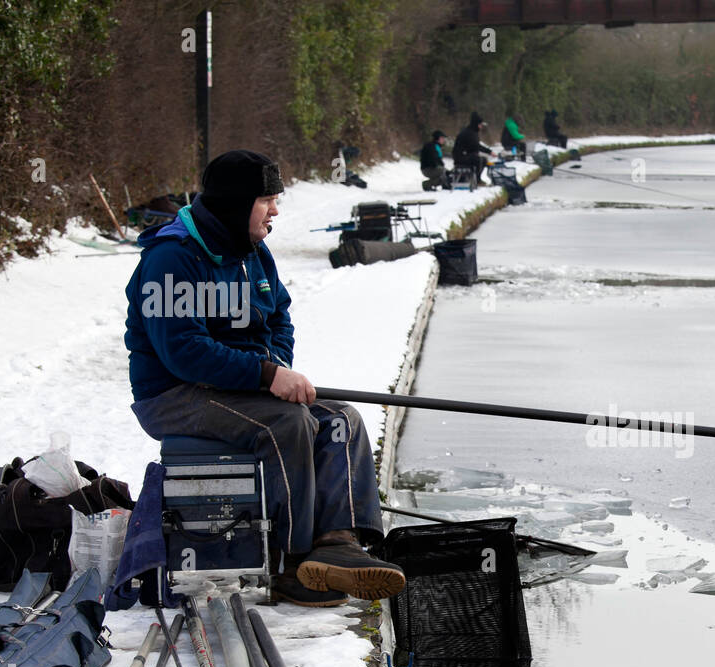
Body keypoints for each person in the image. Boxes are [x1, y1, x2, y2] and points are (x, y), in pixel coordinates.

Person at [123, 149, 406, 607]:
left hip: (241, 387)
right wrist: (268, 375)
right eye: (267, 200)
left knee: (343, 420)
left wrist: (275, 366)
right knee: (287, 425)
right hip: (174, 394)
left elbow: (279, 317)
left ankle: (338, 544)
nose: (275, 210)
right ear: (237, 204)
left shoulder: (253, 251)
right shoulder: (171, 258)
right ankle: (292, 564)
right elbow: (182, 352)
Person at [453, 112, 493, 185]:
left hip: (465, 156)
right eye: (480, 125)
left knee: (479, 158)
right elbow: (476, 146)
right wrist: (489, 152)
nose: (481, 127)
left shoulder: (472, 132)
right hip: (460, 157)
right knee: (481, 160)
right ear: (476, 124)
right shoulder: (470, 133)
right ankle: (477, 180)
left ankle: (475, 179)